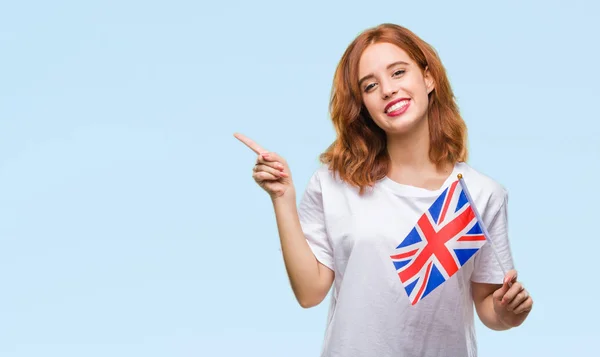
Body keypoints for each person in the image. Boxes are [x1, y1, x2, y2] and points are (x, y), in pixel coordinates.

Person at [234, 23, 533, 357]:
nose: (388, 90)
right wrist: (282, 198)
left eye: (399, 72)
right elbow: (309, 292)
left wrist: (508, 313)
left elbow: (488, 306)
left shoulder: (480, 193)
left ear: (428, 78)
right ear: (362, 104)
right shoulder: (334, 183)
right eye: (370, 85)